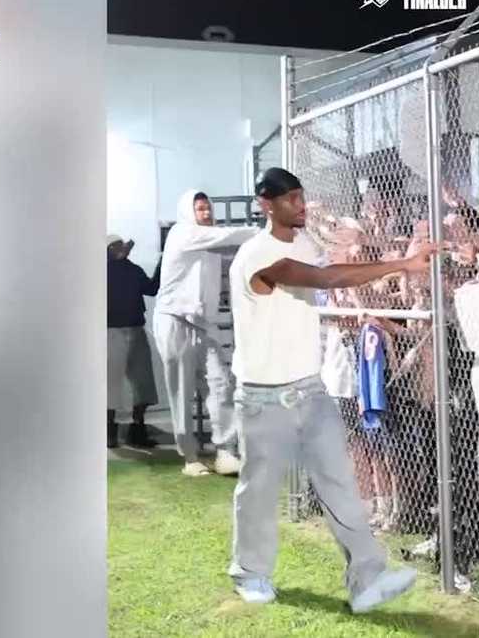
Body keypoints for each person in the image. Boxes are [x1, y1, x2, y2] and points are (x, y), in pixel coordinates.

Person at [226, 167, 438, 613]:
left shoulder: (304, 243)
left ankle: (367, 581)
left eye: (303, 197)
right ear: (268, 204)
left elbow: (335, 265)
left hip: (310, 387)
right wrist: (401, 262)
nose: (301, 205)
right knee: (259, 489)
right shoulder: (257, 255)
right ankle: (251, 573)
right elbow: (326, 279)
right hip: (264, 397)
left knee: (339, 483)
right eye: (291, 200)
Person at [153, 190, 259, 477]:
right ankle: (190, 457)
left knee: (220, 384)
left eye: (208, 209)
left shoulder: (209, 244)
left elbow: (234, 256)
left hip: (203, 324)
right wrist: (265, 229)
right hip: (174, 320)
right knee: (182, 390)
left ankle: (225, 451)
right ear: (189, 212)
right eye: (201, 209)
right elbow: (228, 239)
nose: (207, 214)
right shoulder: (182, 233)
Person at [107, 234, 162, 449]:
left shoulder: (133, 269)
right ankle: (109, 431)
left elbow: (151, 288)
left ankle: (137, 429)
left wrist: (162, 263)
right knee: (110, 384)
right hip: (110, 332)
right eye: (115, 246)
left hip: (135, 330)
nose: (122, 248)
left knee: (143, 383)